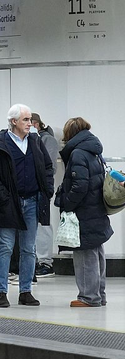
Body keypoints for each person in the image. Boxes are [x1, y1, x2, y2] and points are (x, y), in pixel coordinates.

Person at [0, 104, 54, 308]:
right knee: (5, 247)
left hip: (32, 201)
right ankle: (1, 292)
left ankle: (25, 291)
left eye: (30, 119)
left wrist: (47, 190)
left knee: (29, 249)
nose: (30, 123)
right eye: (26, 120)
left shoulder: (35, 141)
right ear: (14, 122)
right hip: (8, 203)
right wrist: (3, 196)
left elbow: (47, 167)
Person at [56, 117, 113, 307]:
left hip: (84, 211)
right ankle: (99, 295)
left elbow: (80, 185)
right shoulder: (94, 150)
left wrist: (67, 203)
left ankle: (89, 297)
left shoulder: (78, 153)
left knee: (84, 254)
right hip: (96, 209)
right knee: (97, 252)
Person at [32, 112, 60, 279]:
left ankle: (46, 263)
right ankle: (41, 261)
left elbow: (49, 166)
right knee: (38, 226)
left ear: (36, 124)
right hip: (36, 187)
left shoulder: (47, 139)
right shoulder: (39, 138)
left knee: (43, 225)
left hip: (41, 187)